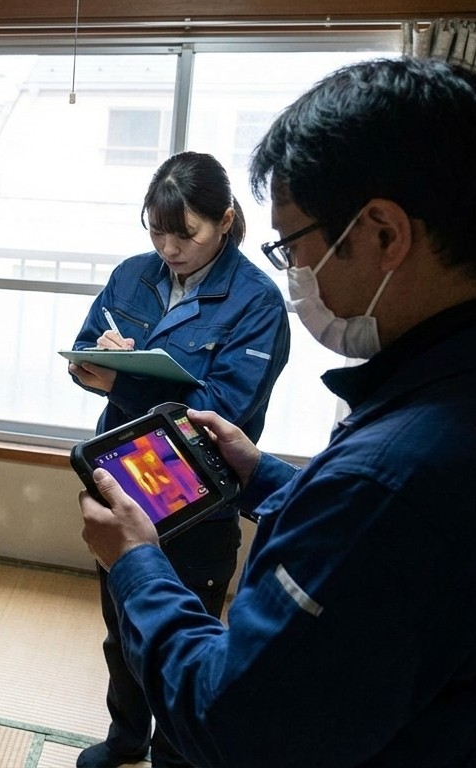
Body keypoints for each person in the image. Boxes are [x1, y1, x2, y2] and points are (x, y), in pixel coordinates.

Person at [78, 57, 476, 767]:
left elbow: (228, 723)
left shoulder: (394, 480)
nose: (295, 273)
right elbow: (383, 549)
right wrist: (266, 477)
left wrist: (137, 563)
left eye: (293, 245)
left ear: (383, 233)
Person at [67, 152, 290, 768]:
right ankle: (126, 737)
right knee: (122, 628)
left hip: (196, 498)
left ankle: (174, 756)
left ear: (225, 220)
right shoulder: (132, 275)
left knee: (183, 642)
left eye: (185, 233)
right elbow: (84, 355)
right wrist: (95, 360)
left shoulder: (257, 301)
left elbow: (223, 413)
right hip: (120, 480)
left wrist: (123, 382)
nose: (169, 248)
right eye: (157, 232)